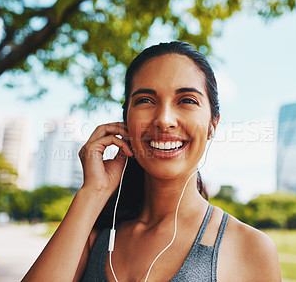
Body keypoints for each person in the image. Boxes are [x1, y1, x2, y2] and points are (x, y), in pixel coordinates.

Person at [23, 41, 281, 282]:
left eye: (187, 100)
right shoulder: (93, 239)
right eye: (145, 100)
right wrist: (93, 193)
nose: (164, 119)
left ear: (213, 124)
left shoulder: (250, 248)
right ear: (125, 121)